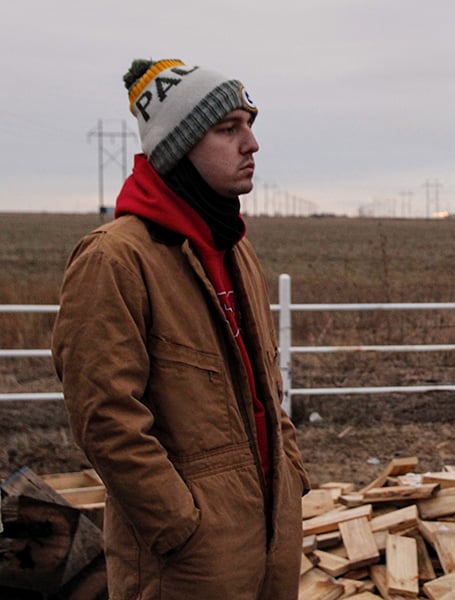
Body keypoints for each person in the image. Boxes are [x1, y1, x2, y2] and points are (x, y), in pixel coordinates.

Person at [51, 58, 310, 600]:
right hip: (189, 561)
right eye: (228, 128)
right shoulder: (116, 260)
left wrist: (291, 478)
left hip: (268, 534)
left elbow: (267, 389)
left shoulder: (234, 249)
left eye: (251, 124)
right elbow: (106, 419)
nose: (252, 144)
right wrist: (177, 525)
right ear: (179, 147)